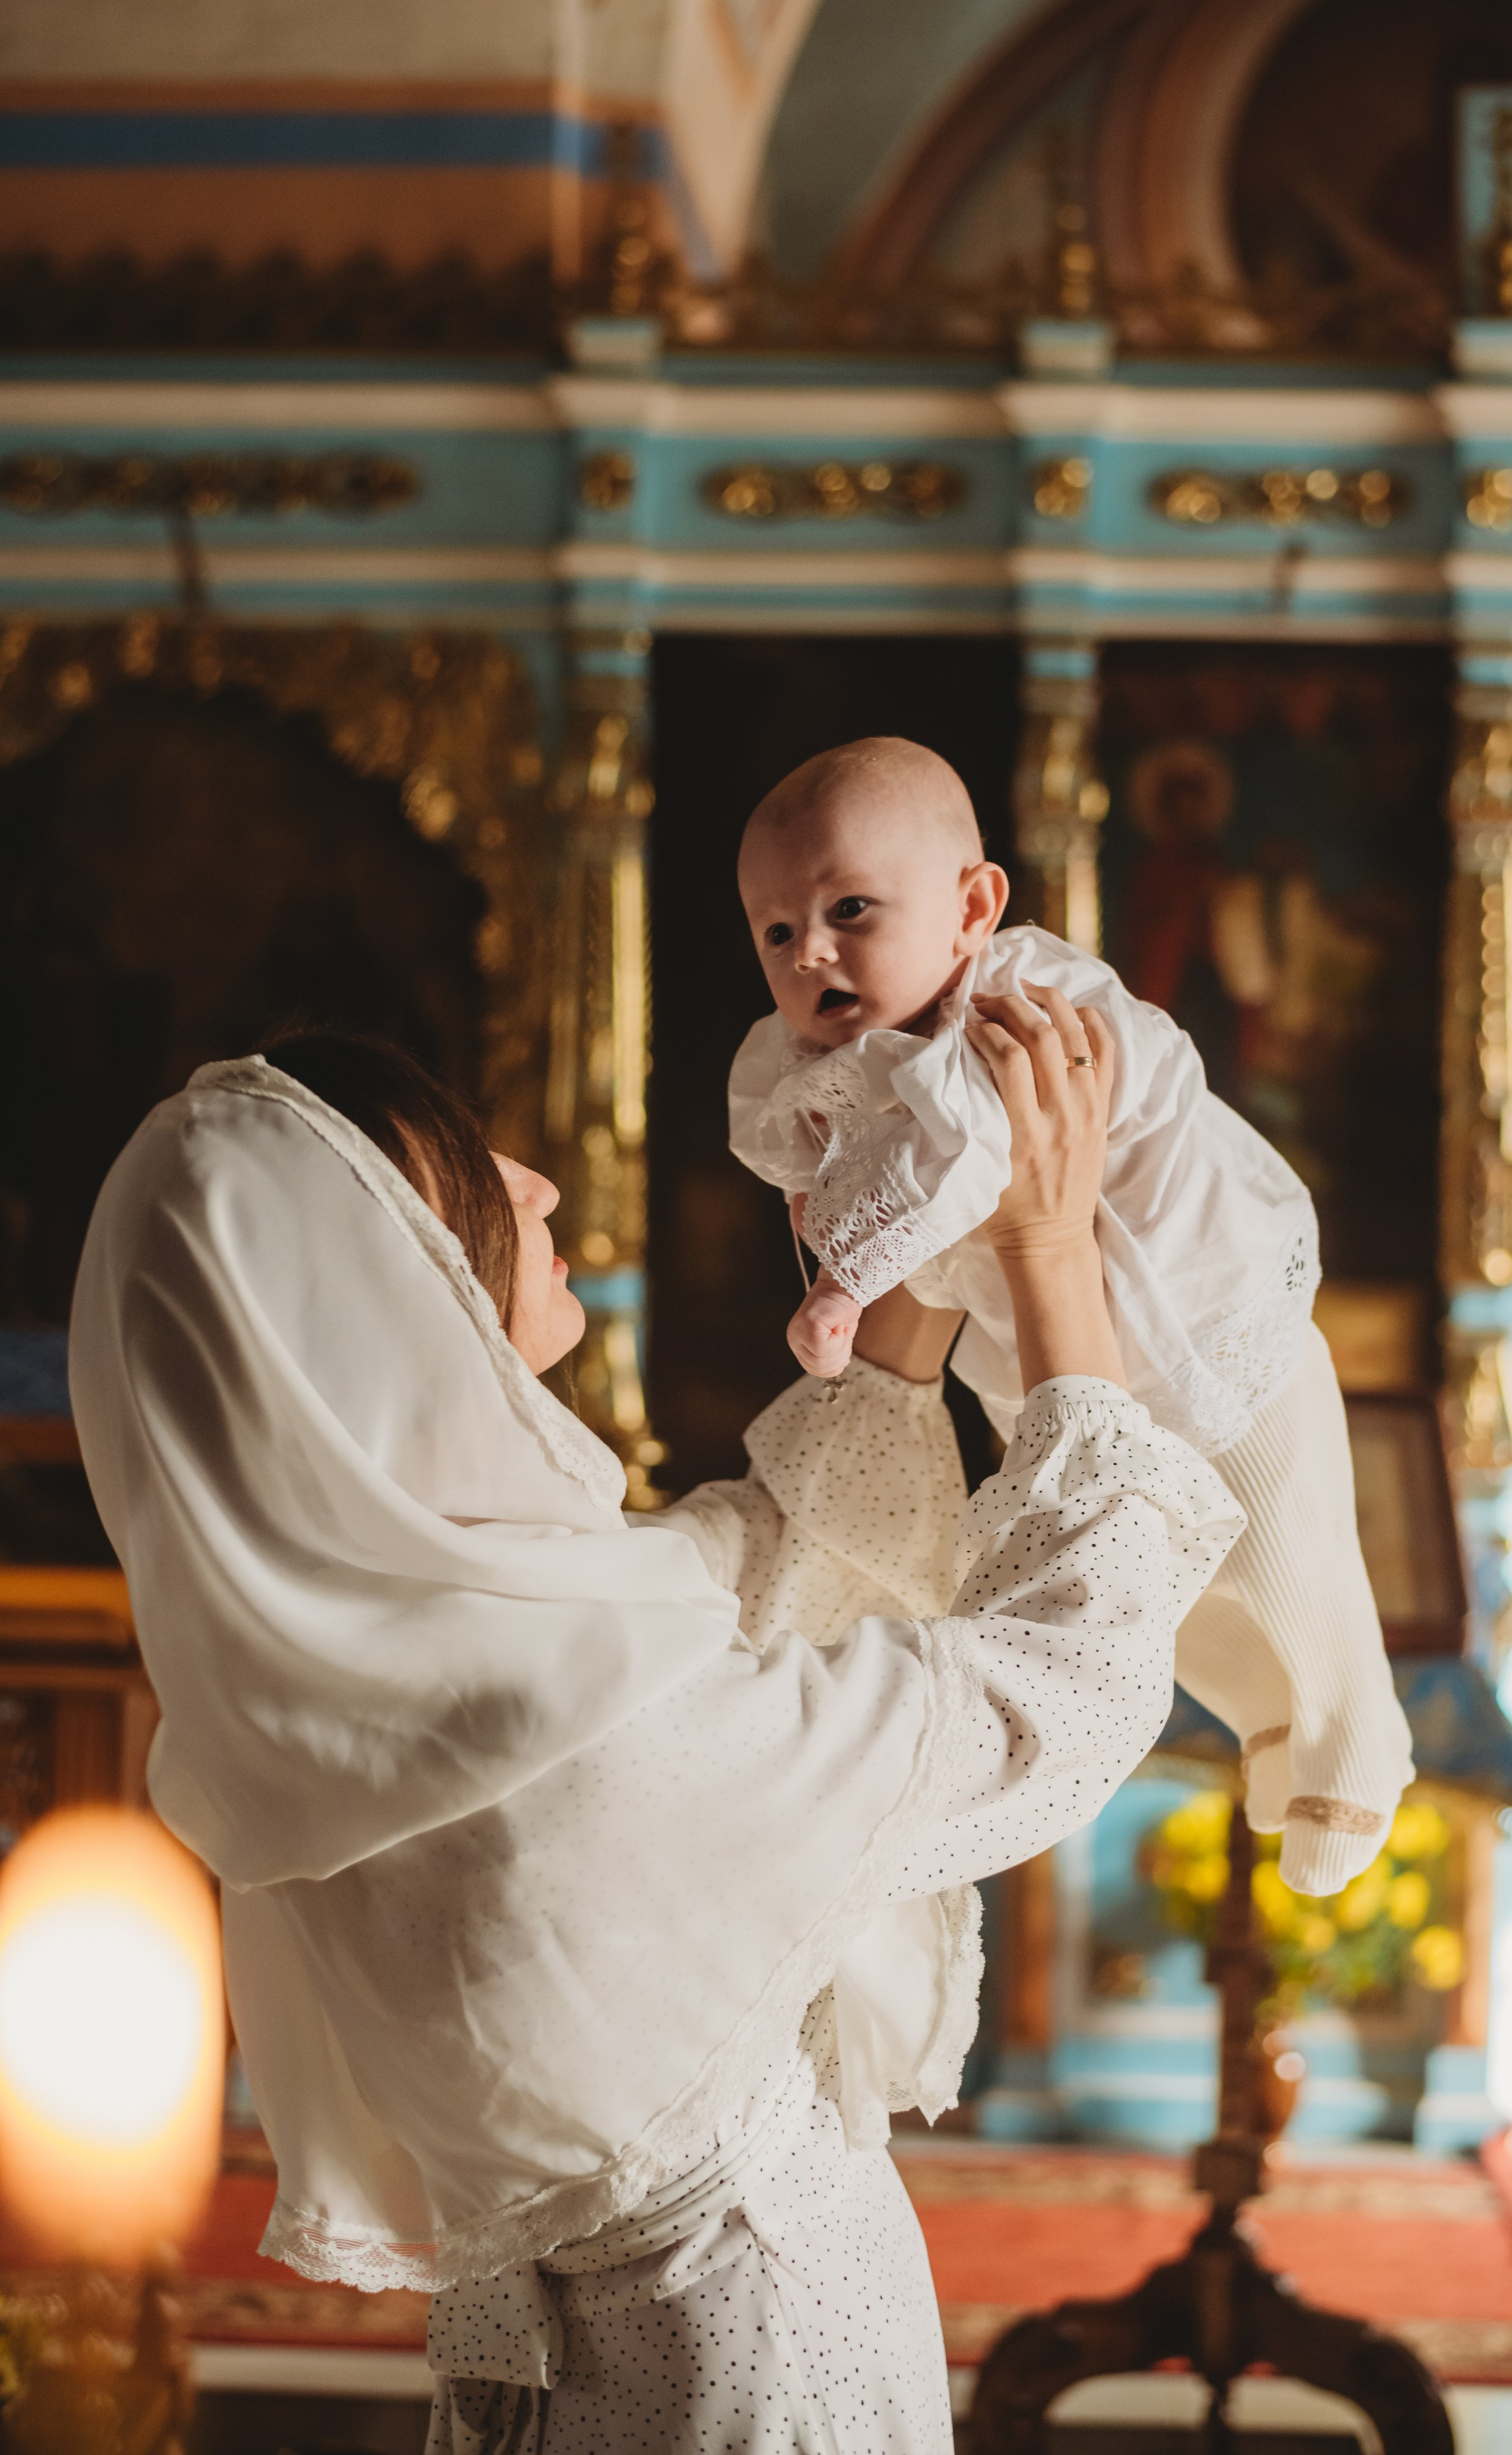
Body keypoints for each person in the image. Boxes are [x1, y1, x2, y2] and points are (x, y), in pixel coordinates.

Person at [68, 1008, 1245, 2455]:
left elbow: (732, 1575)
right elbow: (1054, 1682)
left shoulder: (354, 1697)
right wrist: (1051, 1256)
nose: (537, 1185)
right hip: (754, 2396)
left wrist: (915, 1285)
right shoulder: (588, 1757)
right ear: (373, 1308)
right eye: (465, 1183)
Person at [730, 737, 1412, 1896]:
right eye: (778, 933)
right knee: (1154, 1584)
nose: (815, 955)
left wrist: (842, 1281)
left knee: (1289, 1542)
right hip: (1054, 1350)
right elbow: (771, 1125)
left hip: (1200, 1318)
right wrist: (810, 1176)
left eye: (850, 909)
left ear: (973, 906)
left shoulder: (1010, 1011)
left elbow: (959, 1166)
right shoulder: (833, 1051)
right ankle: (1265, 1718)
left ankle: (1360, 1734)